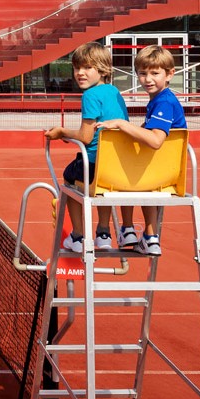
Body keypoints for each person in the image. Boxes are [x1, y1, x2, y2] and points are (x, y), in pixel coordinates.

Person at [100, 44, 186, 256]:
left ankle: (126, 228)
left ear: (170, 74)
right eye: (143, 73)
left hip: (161, 173)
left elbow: (156, 140)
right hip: (157, 175)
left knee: (121, 171)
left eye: (155, 73)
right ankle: (148, 237)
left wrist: (121, 124)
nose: (148, 79)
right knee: (138, 176)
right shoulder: (158, 100)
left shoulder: (164, 102)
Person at [44, 42, 127, 252]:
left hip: (92, 163)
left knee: (68, 178)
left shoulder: (90, 95)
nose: (80, 73)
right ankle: (103, 232)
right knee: (104, 187)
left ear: (103, 69)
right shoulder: (115, 92)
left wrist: (62, 132)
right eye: (77, 68)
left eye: (87, 68)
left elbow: (86, 137)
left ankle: (78, 236)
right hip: (115, 165)